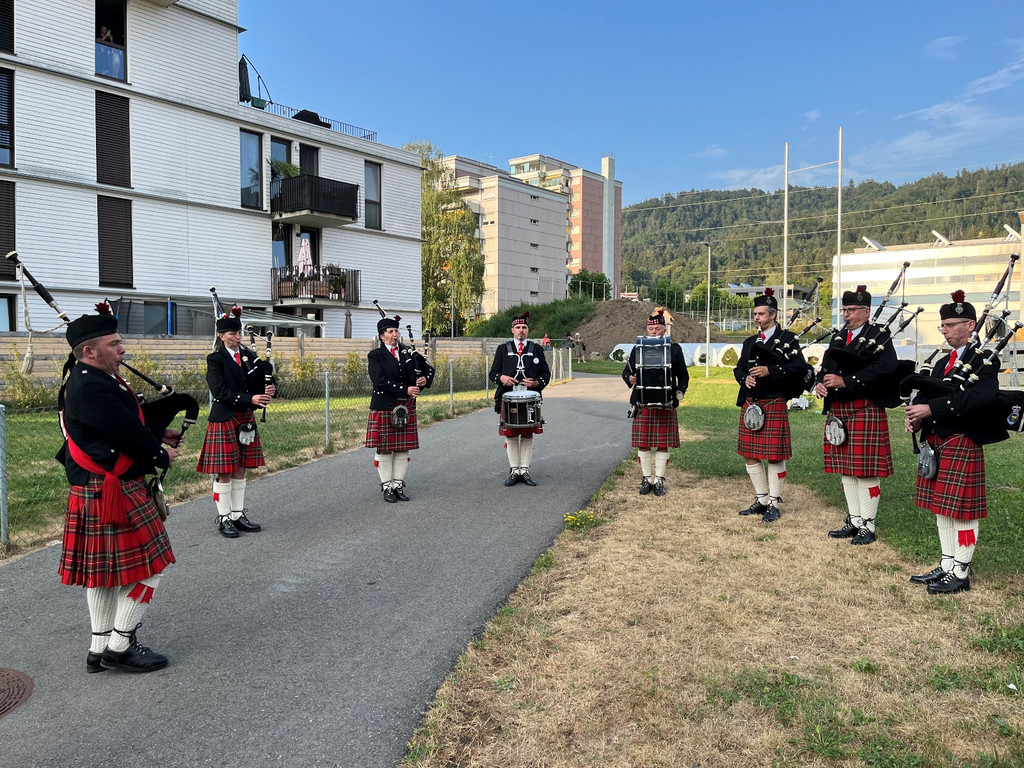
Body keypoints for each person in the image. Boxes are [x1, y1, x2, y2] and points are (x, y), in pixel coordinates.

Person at [57, 303, 180, 673]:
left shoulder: (92, 378)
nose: (122, 349)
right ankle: (120, 645)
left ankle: (99, 648)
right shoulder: (91, 386)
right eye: (115, 344)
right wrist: (160, 452)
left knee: (104, 575)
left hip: (97, 488)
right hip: (111, 490)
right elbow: (125, 435)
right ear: (89, 351)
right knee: (150, 568)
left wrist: (158, 433)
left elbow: (119, 425)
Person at [904, 291, 1008, 594]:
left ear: (970, 325)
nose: (946, 330)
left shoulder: (985, 360)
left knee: (963, 511)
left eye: (951, 324)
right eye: (943, 326)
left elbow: (981, 396)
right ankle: (948, 564)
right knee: (942, 508)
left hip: (962, 441)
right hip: (937, 442)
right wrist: (917, 416)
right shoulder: (940, 361)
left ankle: (961, 572)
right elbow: (926, 392)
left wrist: (931, 409)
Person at [814, 285, 897, 545]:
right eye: (844, 310)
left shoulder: (879, 336)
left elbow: (887, 368)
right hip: (840, 410)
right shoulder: (839, 337)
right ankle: (855, 519)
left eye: (851, 310)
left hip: (865, 408)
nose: (846, 315)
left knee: (866, 471)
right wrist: (820, 382)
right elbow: (825, 367)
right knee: (847, 469)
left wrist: (847, 381)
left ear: (866, 311)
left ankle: (868, 525)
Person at [196, 306, 275, 538]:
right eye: (232, 333)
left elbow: (264, 380)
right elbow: (219, 392)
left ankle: (238, 515)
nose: (238, 336)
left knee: (241, 468)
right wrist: (250, 398)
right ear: (222, 336)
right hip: (225, 418)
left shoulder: (250, 356)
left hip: (245, 417)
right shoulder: (215, 359)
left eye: (239, 332)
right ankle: (224, 518)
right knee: (225, 471)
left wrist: (270, 388)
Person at [734, 288, 808, 522]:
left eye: (761, 314)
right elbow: (739, 368)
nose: (757, 318)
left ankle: (774, 502)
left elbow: (800, 368)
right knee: (750, 454)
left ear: (773, 315)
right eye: (755, 314)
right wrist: (743, 377)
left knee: (774, 456)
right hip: (751, 402)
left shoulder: (788, 339)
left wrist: (771, 370)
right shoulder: (749, 342)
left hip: (774, 400)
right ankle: (762, 498)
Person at [366, 315, 435, 502]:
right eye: (391, 332)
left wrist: (424, 381)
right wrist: (405, 389)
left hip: (405, 405)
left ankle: (398, 484)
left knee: (403, 448)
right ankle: (387, 487)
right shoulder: (376, 356)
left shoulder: (408, 353)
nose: (395, 335)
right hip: (385, 405)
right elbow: (379, 382)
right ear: (382, 336)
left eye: (396, 331)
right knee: (385, 448)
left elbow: (428, 369)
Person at [622, 307, 689, 496]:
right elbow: (626, 372)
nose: (653, 332)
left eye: (657, 329)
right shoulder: (639, 348)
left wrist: (679, 392)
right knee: (643, 443)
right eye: (650, 329)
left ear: (664, 329)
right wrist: (630, 379)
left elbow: (683, 376)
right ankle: (646, 479)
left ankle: (659, 480)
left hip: (666, 402)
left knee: (662, 443)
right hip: (642, 402)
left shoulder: (674, 349)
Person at [490, 311, 550, 486]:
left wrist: (536, 383)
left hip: (530, 399)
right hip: (507, 399)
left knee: (527, 434)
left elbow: (546, 374)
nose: (521, 330)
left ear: (528, 330)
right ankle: (514, 470)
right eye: (518, 327)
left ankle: (525, 469)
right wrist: (501, 378)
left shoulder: (536, 349)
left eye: (524, 327)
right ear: (512, 330)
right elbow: (493, 373)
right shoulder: (503, 349)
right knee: (510, 434)